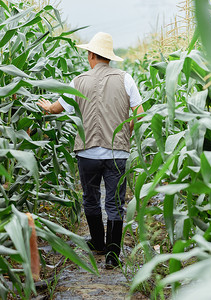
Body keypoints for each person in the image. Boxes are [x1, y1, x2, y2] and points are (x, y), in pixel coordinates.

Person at [37, 32, 144, 269]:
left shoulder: (78, 81)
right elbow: (139, 111)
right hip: (117, 152)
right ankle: (113, 256)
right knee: (115, 204)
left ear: (93, 55)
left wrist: (46, 107)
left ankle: (97, 243)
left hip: (87, 153)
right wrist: (126, 131)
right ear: (109, 57)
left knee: (91, 199)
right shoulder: (126, 78)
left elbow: (57, 108)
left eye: (88, 54)